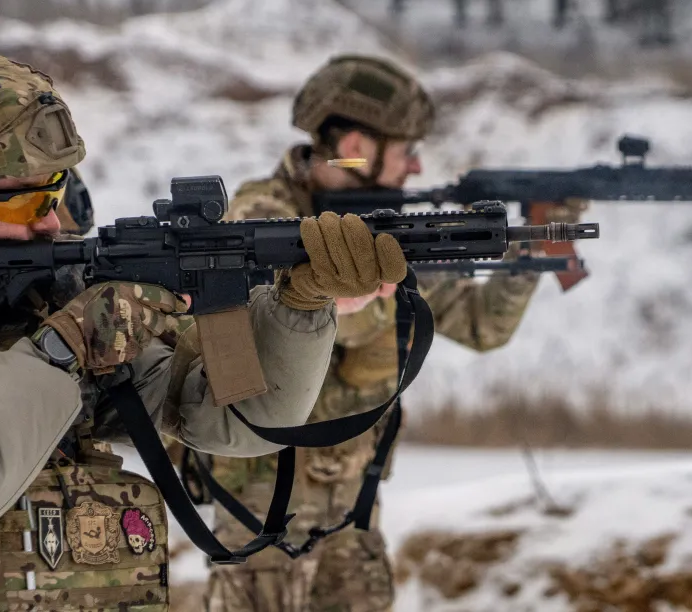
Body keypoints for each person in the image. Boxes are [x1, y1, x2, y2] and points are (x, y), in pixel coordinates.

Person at [0, 50, 407, 611]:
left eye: (54, 194)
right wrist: (70, 343)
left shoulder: (22, 281)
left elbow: (233, 421)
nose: (54, 222)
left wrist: (297, 306)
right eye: (27, 206)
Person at [204, 55, 581, 612]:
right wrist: (389, 278)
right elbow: (321, 319)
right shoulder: (262, 216)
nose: (415, 167)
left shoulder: (388, 223)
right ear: (357, 144)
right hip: (265, 514)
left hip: (355, 512)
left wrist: (529, 245)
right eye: (406, 150)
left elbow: (482, 326)